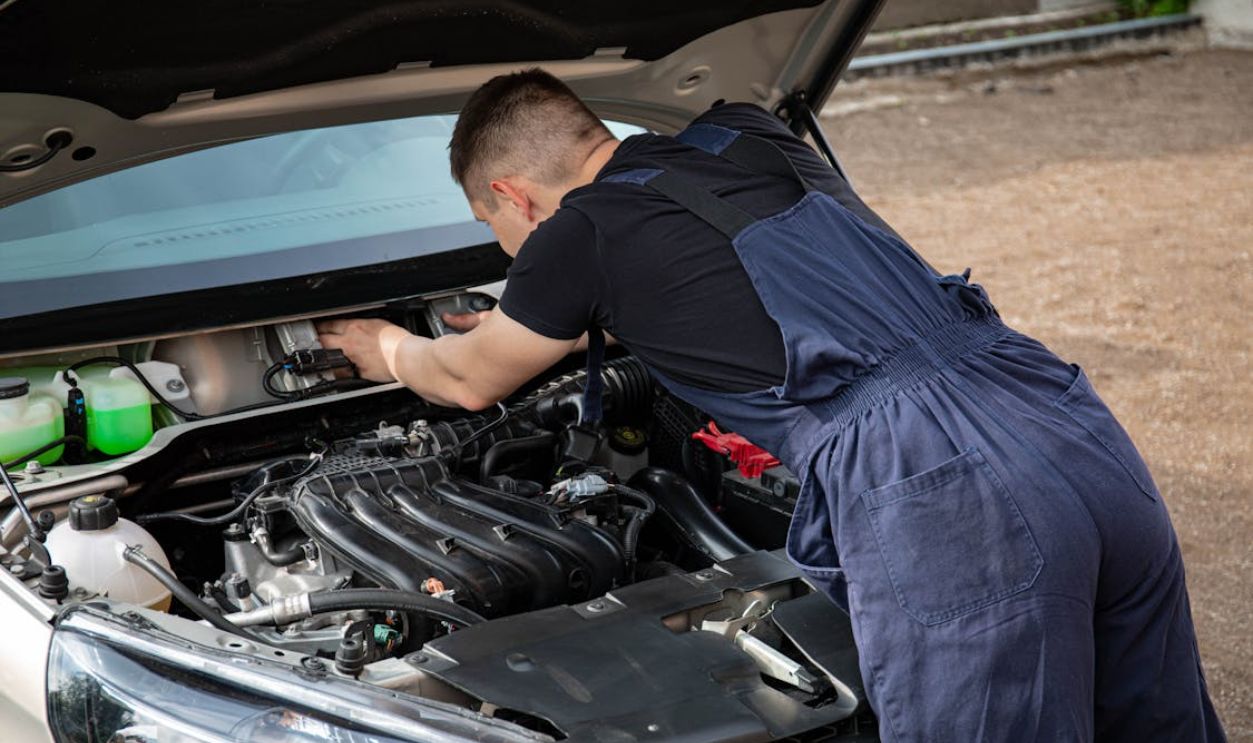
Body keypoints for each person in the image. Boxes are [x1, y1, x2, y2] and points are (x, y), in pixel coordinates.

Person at [317, 69, 1225, 742]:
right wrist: (556, 311)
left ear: (513, 195)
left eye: (499, 230)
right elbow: (755, 275)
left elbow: (468, 378)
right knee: (1154, 718)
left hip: (936, 479)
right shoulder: (751, 135)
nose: (516, 251)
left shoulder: (578, 230)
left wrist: (385, 348)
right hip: (1054, 410)